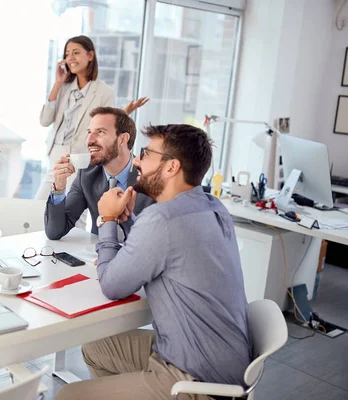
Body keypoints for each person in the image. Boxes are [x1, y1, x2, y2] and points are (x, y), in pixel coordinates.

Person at [56, 124, 252, 400]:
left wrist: (109, 220)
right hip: (220, 359)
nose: (136, 160)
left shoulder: (162, 219)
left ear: (171, 167)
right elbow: (168, 248)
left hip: (197, 379)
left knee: (68, 395)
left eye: (146, 154)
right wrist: (128, 221)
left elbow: (112, 285)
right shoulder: (212, 205)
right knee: (96, 347)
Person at [36, 35, 148, 200]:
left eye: (76, 53)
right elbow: (45, 121)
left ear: (90, 55)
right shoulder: (63, 88)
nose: (70, 58)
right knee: (40, 204)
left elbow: (108, 124)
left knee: (74, 208)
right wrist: (57, 83)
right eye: (67, 54)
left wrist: (125, 112)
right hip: (57, 155)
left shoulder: (104, 92)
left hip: (82, 156)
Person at [44, 107, 154, 239]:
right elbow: (55, 232)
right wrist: (59, 187)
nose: (89, 141)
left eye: (100, 132)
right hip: (98, 255)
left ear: (123, 139)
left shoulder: (150, 177)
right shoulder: (86, 174)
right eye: (89, 132)